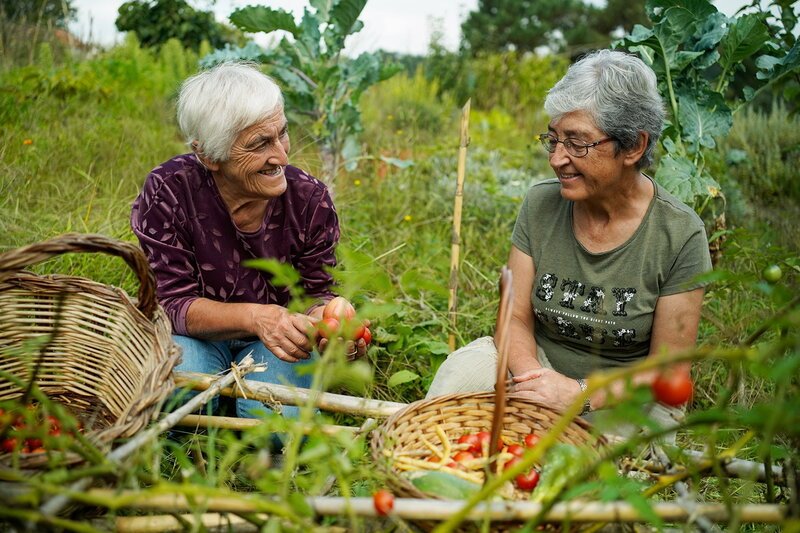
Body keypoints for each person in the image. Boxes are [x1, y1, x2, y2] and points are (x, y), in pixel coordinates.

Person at [427, 50, 712, 439]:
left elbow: (669, 370)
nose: (557, 159)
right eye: (553, 139)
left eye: (577, 144)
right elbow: (514, 318)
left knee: (605, 464)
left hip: (620, 394)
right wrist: (535, 382)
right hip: (537, 366)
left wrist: (578, 395)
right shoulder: (541, 204)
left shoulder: (679, 234)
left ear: (633, 146)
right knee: (458, 380)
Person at [131, 61, 367, 420]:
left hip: (276, 344)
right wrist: (256, 316)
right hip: (195, 337)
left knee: (275, 423)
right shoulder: (171, 191)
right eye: (259, 144)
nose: (282, 156)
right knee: (178, 399)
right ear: (208, 155)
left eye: (282, 133)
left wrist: (330, 324)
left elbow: (315, 292)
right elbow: (171, 303)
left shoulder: (309, 199)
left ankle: (246, 410)